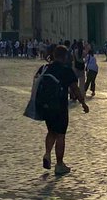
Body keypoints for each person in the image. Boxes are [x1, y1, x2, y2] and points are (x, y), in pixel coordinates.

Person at [35, 45, 89, 175]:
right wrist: (83, 103)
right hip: (60, 107)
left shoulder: (45, 68)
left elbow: (37, 82)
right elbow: (75, 89)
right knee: (60, 135)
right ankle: (59, 164)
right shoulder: (66, 70)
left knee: (51, 132)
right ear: (65, 56)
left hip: (46, 106)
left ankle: (47, 154)